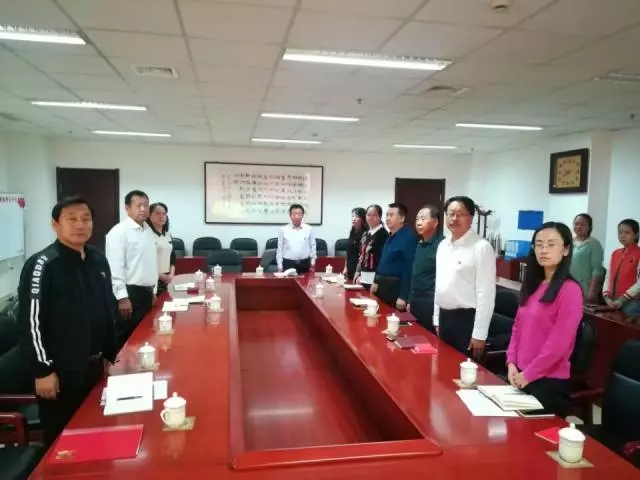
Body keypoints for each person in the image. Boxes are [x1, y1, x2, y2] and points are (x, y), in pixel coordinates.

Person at [16, 197, 117, 446]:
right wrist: (43, 370)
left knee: (97, 431)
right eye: (71, 219)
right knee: (63, 442)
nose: (80, 225)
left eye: (86, 218)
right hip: (59, 373)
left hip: (95, 366)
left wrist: (109, 353)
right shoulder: (43, 264)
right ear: (55, 224)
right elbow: (31, 323)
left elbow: (106, 307)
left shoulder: (97, 259)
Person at [506, 222, 583, 416]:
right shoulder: (533, 285)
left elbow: (559, 343)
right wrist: (511, 362)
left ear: (566, 250)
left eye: (551, 244)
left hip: (548, 381)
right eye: (539, 244)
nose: (544, 250)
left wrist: (529, 374)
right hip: (520, 375)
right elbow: (517, 328)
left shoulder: (570, 290)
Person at [433, 196, 495, 358]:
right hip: (444, 317)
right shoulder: (443, 246)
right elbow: (439, 285)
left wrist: (480, 333)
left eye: (460, 214)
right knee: (444, 364)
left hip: (467, 320)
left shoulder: (481, 247)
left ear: (471, 218)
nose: (454, 218)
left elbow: (486, 294)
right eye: (451, 214)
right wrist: (436, 318)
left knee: (464, 369)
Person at [105, 190, 158, 350]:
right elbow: (115, 268)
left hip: (146, 293)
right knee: (126, 339)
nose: (143, 209)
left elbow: (151, 263)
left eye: (146, 205)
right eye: (138, 205)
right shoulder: (119, 232)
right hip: (129, 294)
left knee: (144, 336)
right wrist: (122, 298)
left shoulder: (148, 230)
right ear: (127, 208)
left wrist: (153, 291)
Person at [371, 203, 417, 310]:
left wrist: (403, 296)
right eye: (387, 215)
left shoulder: (409, 237)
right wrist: (376, 281)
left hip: (395, 290)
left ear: (402, 218)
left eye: (391, 215)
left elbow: (409, 268)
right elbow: (383, 262)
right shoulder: (390, 236)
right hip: (381, 287)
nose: (387, 218)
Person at [407, 205, 444, 333]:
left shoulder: (442, 245)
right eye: (417, 219)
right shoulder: (420, 243)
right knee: (414, 335)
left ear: (435, 222)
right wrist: (410, 299)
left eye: (423, 219)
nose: (418, 222)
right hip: (416, 299)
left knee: (428, 338)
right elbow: (415, 274)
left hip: (431, 302)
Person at [603, 219, 640, 317]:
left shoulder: (639, 253)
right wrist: (606, 297)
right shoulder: (616, 253)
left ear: (636, 235)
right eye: (620, 232)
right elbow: (608, 276)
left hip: (632, 302)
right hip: (613, 301)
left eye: (627, 233)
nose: (622, 236)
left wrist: (623, 298)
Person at [570, 213, 604, 303]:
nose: (579, 227)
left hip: (585, 289)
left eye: (582, 224)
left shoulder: (594, 244)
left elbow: (597, 270)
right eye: (576, 224)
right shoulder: (569, 242)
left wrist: (591, 292)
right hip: (568, 286)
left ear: (589, 227)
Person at [354, 204, 389, 289]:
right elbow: (362, 255)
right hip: (364, 275)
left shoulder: (383, 234)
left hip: (375, 279)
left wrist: (376, 280)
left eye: (374, 215)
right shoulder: (367, 233)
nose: (371, 218)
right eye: (369, 215)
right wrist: (358, 272)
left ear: (380, 217)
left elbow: (382, 260)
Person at [276, 203, 316, 273]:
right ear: (290, 215)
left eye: (299, 214)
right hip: (288, 263)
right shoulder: (283, 230)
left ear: (303, 215)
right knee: (288, 280)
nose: (296, 217)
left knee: (305, 280)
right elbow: (280, 249)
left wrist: (313, 262)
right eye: (294, 214)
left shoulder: (309, 229)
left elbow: (313, 246)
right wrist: (280, 265)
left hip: (304, 263)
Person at [147, 202, 176, 294]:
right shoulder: (146, 235)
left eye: (164, 214)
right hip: (151, 279)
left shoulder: (168, 234)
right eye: (158, 213)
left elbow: (172, 256)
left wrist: (171, 274)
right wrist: (159, 275)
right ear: (149, 216)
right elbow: (144, 260)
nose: (162, 216)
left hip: (167, 278)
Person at [343, 207, 367, 281]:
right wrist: (345, 267)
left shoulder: (365, 234)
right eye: (353, 216)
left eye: (357, 217)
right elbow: (349, 252)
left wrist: (358, 272)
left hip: (359, 270)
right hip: (350, 268)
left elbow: (363, 255)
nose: (353, 219)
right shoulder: (352, 231)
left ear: (363, 219)